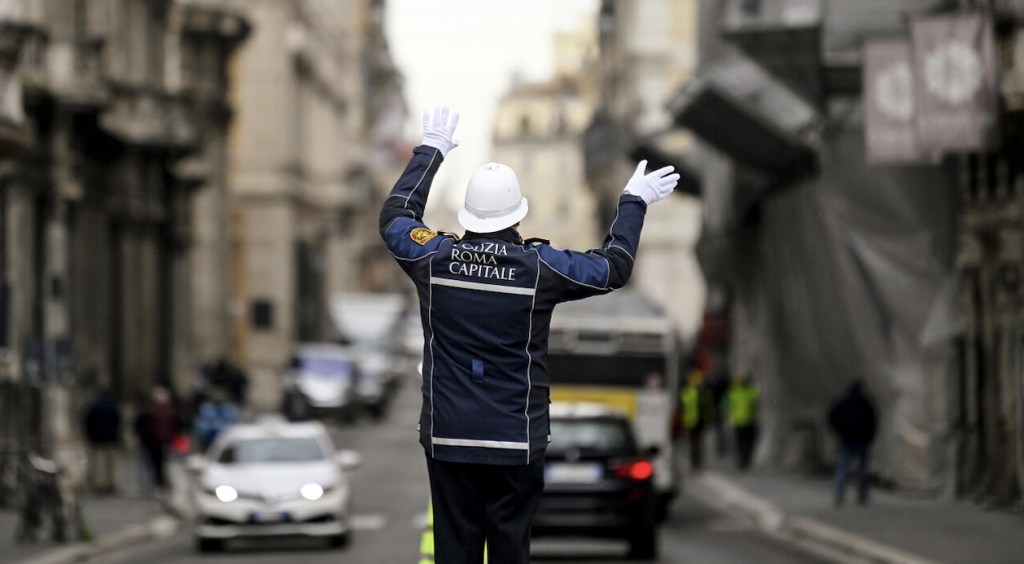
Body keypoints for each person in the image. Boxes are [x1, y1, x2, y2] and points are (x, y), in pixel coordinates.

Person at [380, 105, 679, 564]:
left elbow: (396, 219)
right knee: (509, 551)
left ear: (469, 216)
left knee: (454, 550)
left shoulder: (434, 261)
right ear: (517, 217)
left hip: (449, 438)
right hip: (515, 442)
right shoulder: (539, 269)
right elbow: (613, 267)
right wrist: (633, 201)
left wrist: (431, 151)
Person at [827, 379, 878, 507]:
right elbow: (873, 421)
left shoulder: (843, 402)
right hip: (862, 441)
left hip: (847, 440)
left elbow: (831, 416)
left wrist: (839, 431)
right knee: (862, 469)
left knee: (843, 468)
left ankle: (839, 494)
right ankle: (862, 495)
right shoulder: (866, 403)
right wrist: (869, 437)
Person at [133, 386, 181, 492]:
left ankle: (159, 484)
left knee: (157, 464)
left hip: (159, 441)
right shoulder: (155, 411)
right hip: (158, 441)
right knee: (158, 464)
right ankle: (159, 484)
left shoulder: (151, 410)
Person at [83, 388, 121, 495]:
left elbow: (88, 423)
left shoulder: (94, 408)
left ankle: (100, 484)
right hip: (111, 439)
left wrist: (91, 436)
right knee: (111, 464)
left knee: (99, 463)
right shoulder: (113, 407)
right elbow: (117, 422)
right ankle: (110, 484)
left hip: (97, 439)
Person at [680, 369, 715, 471]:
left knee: (696, 443)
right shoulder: (698, 392)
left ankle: (696, 462)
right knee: (695, 443)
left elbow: (708, 407)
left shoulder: (690, 392)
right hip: (693, 421)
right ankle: (696, 462)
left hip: (697, 421)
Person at [726, 372, 759, 470]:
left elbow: (756, 404)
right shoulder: (735, 393)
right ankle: (742, 461)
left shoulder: (750, 392)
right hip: (739, 422)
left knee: (748, 443)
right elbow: (729, 407)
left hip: (749, 421)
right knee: (740, 443)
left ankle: (745, 460)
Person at [193, 386, 240, 452]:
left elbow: (233, 422)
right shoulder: (206, 408)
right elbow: (203, 423)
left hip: (226, 439)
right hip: (210, 439)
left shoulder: (228, 408)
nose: (218, 401)